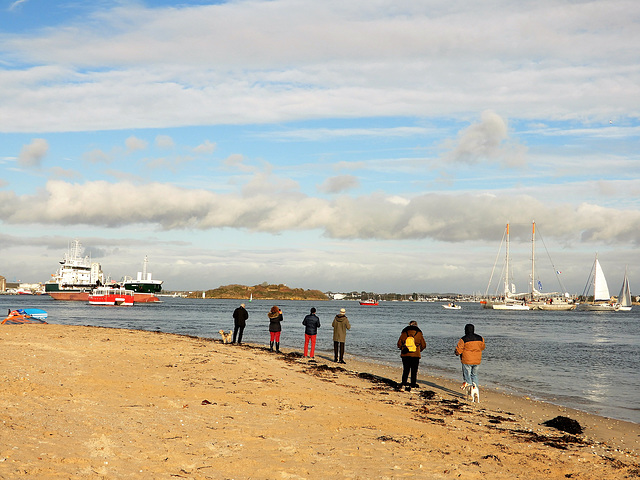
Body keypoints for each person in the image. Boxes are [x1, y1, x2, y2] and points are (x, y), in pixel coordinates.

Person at [397, 320, 427, 392]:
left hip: (405, 354)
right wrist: (418, 350)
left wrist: (403, 348)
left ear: (409, 325)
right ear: (416, 325)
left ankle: (403, 384)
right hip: (415, 355)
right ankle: (413, 385)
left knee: (406, 370)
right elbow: (424, 345)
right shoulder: (419, 333)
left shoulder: (404, 333)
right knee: (414, 371)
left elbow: (399, 344)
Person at [454, 323, 486, 389]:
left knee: (467, 376)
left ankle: (469, 392)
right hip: (477, 360)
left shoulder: (463, 339)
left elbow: (459, 350)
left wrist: (456, 353)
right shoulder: (480, 338)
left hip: (467, 360)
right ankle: (475, 389)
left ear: (466, 330)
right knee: (474, 375)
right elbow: (482, 347)